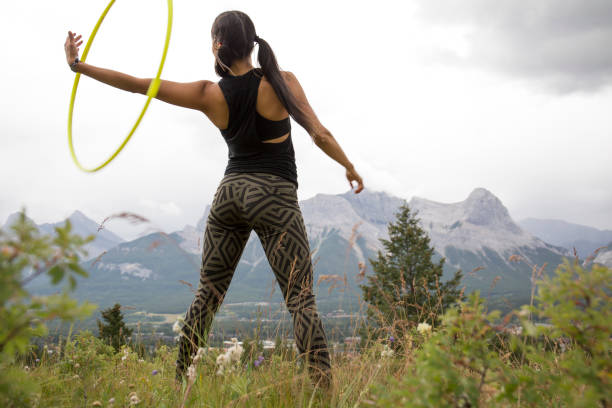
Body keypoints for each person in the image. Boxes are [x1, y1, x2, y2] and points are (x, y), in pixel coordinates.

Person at [64, 10, 363, 388]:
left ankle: (179, 384)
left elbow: (140, 85)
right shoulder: (282, 82)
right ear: (251, 41)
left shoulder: (209, 93)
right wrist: (349, 166)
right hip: (273, 194)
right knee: (301, 300)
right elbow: (319, 133)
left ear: (219, 45)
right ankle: (323, 393)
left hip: (229, 196)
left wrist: (79, 66)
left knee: (208, 293)